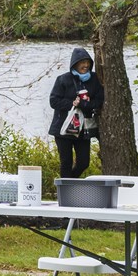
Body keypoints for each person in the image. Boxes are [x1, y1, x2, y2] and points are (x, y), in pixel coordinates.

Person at [47, 48, 105, 179]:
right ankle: (66, 191)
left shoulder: (95, 79)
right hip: (63, 129)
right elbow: (53, 101)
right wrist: (71, 103)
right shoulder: (63, 79)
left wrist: (84, 104)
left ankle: (67, 183)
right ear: (74, 64)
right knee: (66, 162)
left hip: (83, 130)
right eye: (82, 62)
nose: (85, 65)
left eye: (87, 62)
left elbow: (99, 100)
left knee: (84, 163)